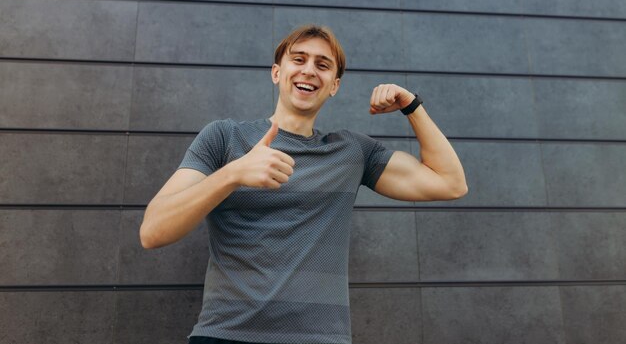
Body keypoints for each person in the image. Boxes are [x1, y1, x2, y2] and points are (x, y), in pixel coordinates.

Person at [139, 24, 468, 344]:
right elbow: (153, 231)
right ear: (277, 73)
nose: (309, 70)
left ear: (334, 85)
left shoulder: (352, 152)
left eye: (322, 65)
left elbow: (450, 183)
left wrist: (411, 106)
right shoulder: (225, 138)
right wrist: (232, 175)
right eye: (298, 59)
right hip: (226, 335)